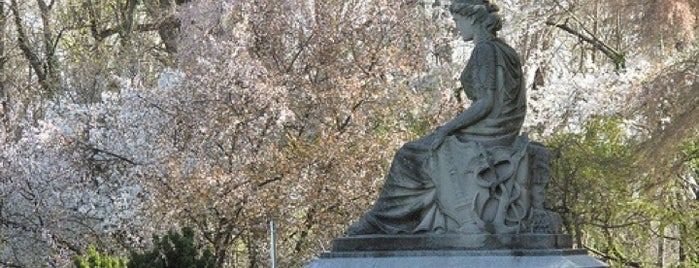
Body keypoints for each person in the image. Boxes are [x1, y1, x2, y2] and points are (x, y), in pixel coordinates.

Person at [347, 0, 529, 235]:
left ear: (472, 19)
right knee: (421, 150)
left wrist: (446, 129)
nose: (456, 27)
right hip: (505, 128)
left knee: (409, 155)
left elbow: (486, 102)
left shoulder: (485, 50)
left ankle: (383, 221)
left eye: (457, 21)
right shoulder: (505, 50)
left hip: (489, 130)